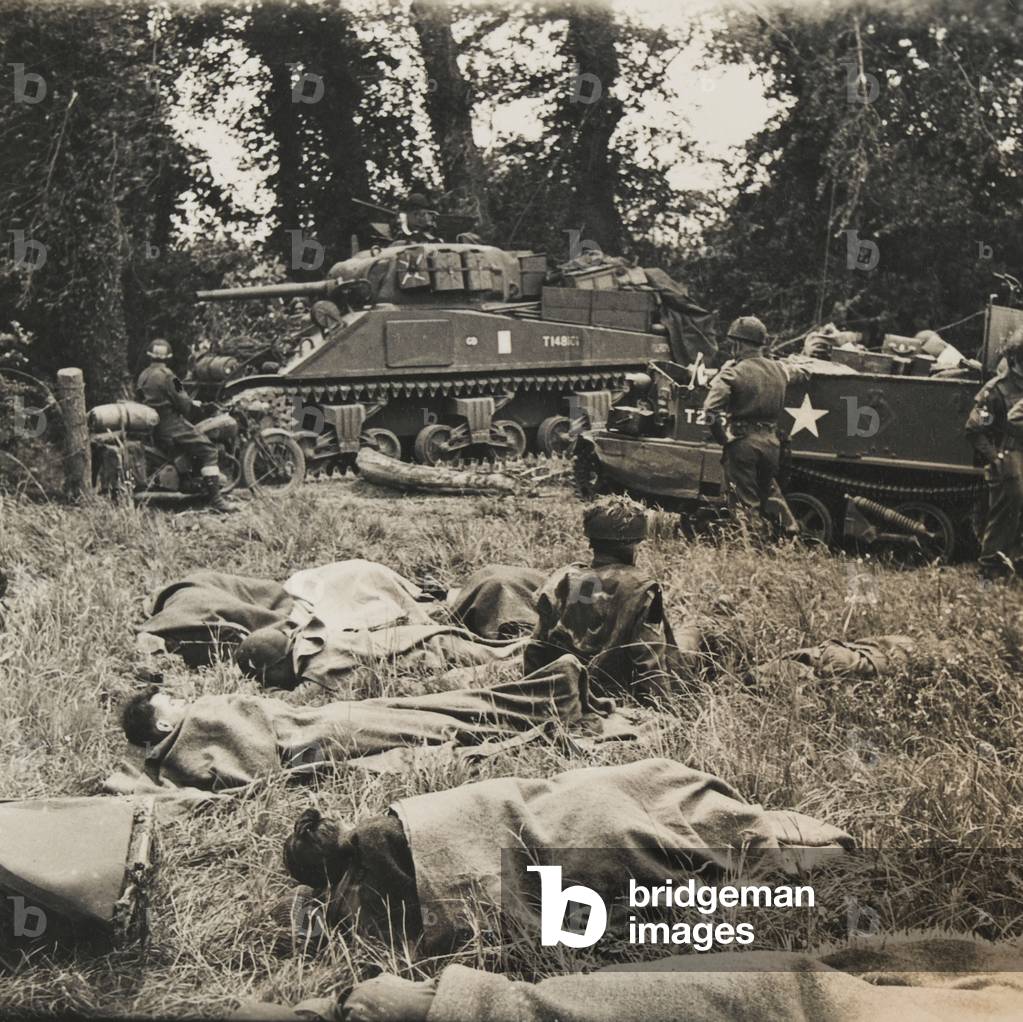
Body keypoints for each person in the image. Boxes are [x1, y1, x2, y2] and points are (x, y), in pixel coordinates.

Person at [522, 495, 687, 703]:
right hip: (612, 694)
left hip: (564, 690)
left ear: (591, 542)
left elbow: (536, 647)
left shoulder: (561, 579)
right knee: (694, 635)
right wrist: (665, 711)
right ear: (634, 545)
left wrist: (533, 694)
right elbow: (649, 664)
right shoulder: (642, 589)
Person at [702, 316, 804, 537]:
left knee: (745, 504)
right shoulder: (779, 369)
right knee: (766, 493)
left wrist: (723, 438)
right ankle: (788, 531)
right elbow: (798, 373)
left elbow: (710, 410)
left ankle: (752, 550)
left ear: (737, 344)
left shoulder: (732, 372)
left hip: (743, 445)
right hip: (772, 444)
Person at [136, 338, 231, 513]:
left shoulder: (143, 375)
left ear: (150, 355)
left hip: (154, 426)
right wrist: (194, 406)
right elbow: (184, 403)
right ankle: (217, 500)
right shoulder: (170, 377)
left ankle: (193, 481)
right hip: (172, 425)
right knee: (209, 451)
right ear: (168, 357)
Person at [964, 327, 1023, 579]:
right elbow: (974, 430)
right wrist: (995, 458)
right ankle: (987, 575)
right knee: (1005, 514)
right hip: (1007, 455)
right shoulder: (997, 389)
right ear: (1017, 358)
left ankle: (1013, 566)